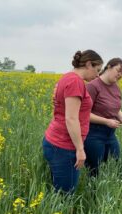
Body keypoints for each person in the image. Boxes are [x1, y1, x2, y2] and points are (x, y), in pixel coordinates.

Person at [42, 50, 103, 193]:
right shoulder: (75, 82)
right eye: (97, 70)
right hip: (64, 146)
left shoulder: (67, 77)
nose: (98, 75)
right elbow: (71, 118)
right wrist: (80, 150)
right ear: (88, 64)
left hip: (55, 141)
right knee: (65, 195)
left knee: (58, 192)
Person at [84, 58, 122, 177]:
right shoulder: (93, 86)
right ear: (109, 67)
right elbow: (84, 114)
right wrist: (106, 121)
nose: (120, 75)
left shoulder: (116, 87)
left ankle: (113, 192)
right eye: (118, 70)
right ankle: (93, 194)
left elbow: (115, 108)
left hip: (110, 134)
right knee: (94, 170)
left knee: (116, 165)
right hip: (94, 134)